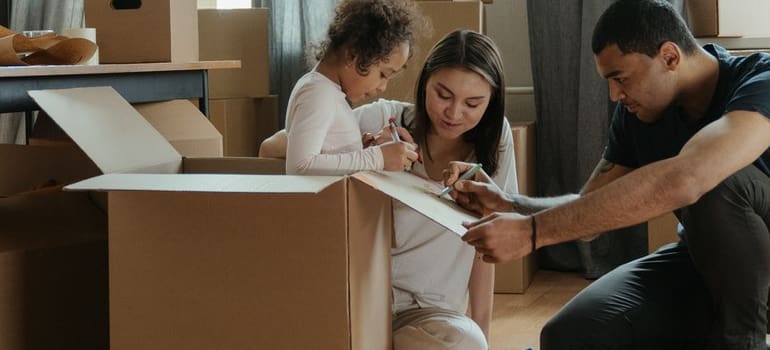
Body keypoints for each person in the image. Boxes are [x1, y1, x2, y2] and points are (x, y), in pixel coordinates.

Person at [445, 0, 770, 349]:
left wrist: (532, 232)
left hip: (757, 269)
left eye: (621, 78)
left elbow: (689, 178)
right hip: (707, 264)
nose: (615, 95)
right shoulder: (639, 114)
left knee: (716, 180)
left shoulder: (760, 81)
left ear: (670, 57)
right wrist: (511, 205)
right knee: (568, 334)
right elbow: (590, 208)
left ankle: (743, 343)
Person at [264, 29, 518, 349]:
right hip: (359, 300)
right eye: (442, 94)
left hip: (430, 314)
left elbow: (488, 242)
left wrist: (483, 332)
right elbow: (271, 149)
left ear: (491, 105)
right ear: (424, 83)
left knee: (468, 344)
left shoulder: (496, 142)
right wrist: (365, 152)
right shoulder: (383, 118)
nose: (454, 113)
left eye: (472, 103)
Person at [284, 0, 419, 175]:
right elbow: (299, 167)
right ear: (353, 55)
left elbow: (327, 156)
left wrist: (361, 150)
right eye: (383, 75)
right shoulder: (318, 93)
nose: (382, 87)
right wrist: (377, 158)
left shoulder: (328, 92)